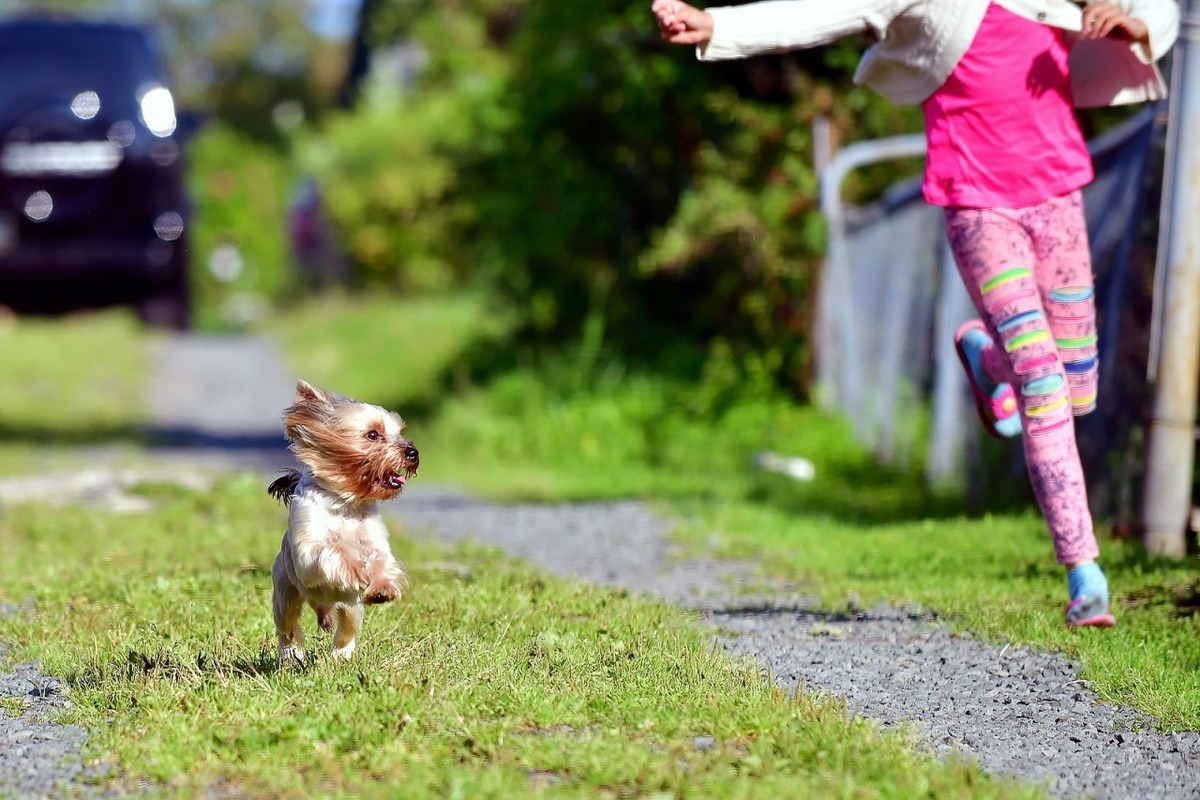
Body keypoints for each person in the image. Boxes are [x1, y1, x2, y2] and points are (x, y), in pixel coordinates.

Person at [651, 0, 1180, 628]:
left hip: (1060, 196)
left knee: (1076, 388)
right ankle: (1084, 574)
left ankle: (991, 362)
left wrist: (1140, 26)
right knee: (1043, 384)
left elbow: (1156, 7)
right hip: (977, 205)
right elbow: (819, 12)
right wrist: (719, 27)